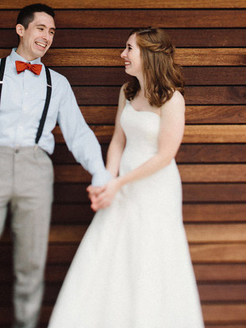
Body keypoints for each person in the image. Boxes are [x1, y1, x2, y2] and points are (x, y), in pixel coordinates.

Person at [0, 3, 111, 328]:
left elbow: (79, 133)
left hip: (36, 172)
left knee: (31, 266)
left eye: (51, 31)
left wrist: (101, 173)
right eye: (41, 28)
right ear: (21, 30)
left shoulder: (58, 83)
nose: (47, 36)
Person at [48, 27, 204, 328]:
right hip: (121, 185)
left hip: (155, 187)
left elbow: (165, 155)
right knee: (110, 250)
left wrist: (119, 182)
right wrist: (107, 179)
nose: (123, 54)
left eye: (129, 48)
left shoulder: (172, 100)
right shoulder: (127, 91)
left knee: (150, 254)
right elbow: (119, 140)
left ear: (148, 55)